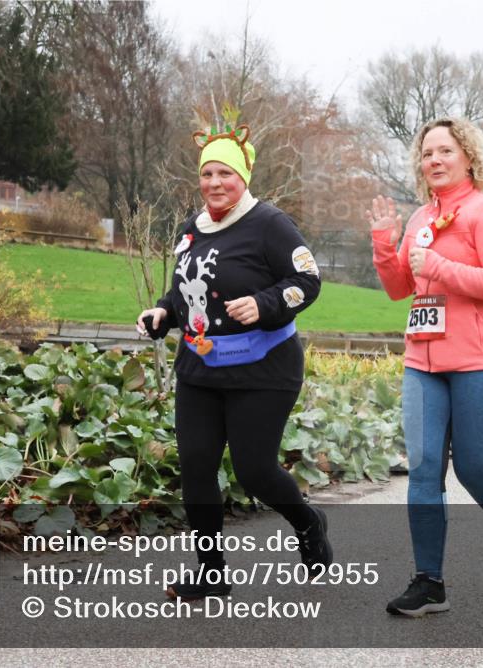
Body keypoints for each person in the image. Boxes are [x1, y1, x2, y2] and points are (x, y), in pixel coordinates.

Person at [136, 115, 331, 600]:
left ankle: (308, 522)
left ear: (243, 176)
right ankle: (211, 572)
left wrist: (264, 304)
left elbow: (308, 282)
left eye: (225, 173)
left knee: (254, 470)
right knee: (198, 466)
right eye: (207, 174)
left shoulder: (270, 224)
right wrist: (163, 312)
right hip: (201, 369)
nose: (215, 183)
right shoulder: (191, 230)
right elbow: (186, 290)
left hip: (264, 368)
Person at [366, 117, 483, 617]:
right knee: (424, 469)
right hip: (423, 362)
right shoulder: (419, 219)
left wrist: (438, 267)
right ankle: (429, 583)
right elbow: (400, 289)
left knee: (474, 470)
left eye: (445, 152)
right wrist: (383, 243)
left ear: (468, 158)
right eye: (427, 153)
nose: (433, 160)